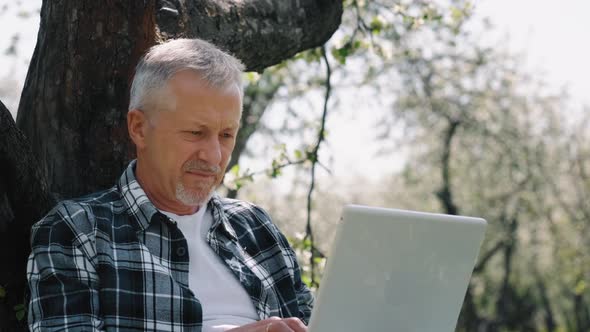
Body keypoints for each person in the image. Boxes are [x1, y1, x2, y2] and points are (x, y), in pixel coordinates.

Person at [27, 38, 313, 332]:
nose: (214, 156)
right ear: (139, 128)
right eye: (195, 132)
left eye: (226, 135)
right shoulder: (79, 231)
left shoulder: (256, 227)